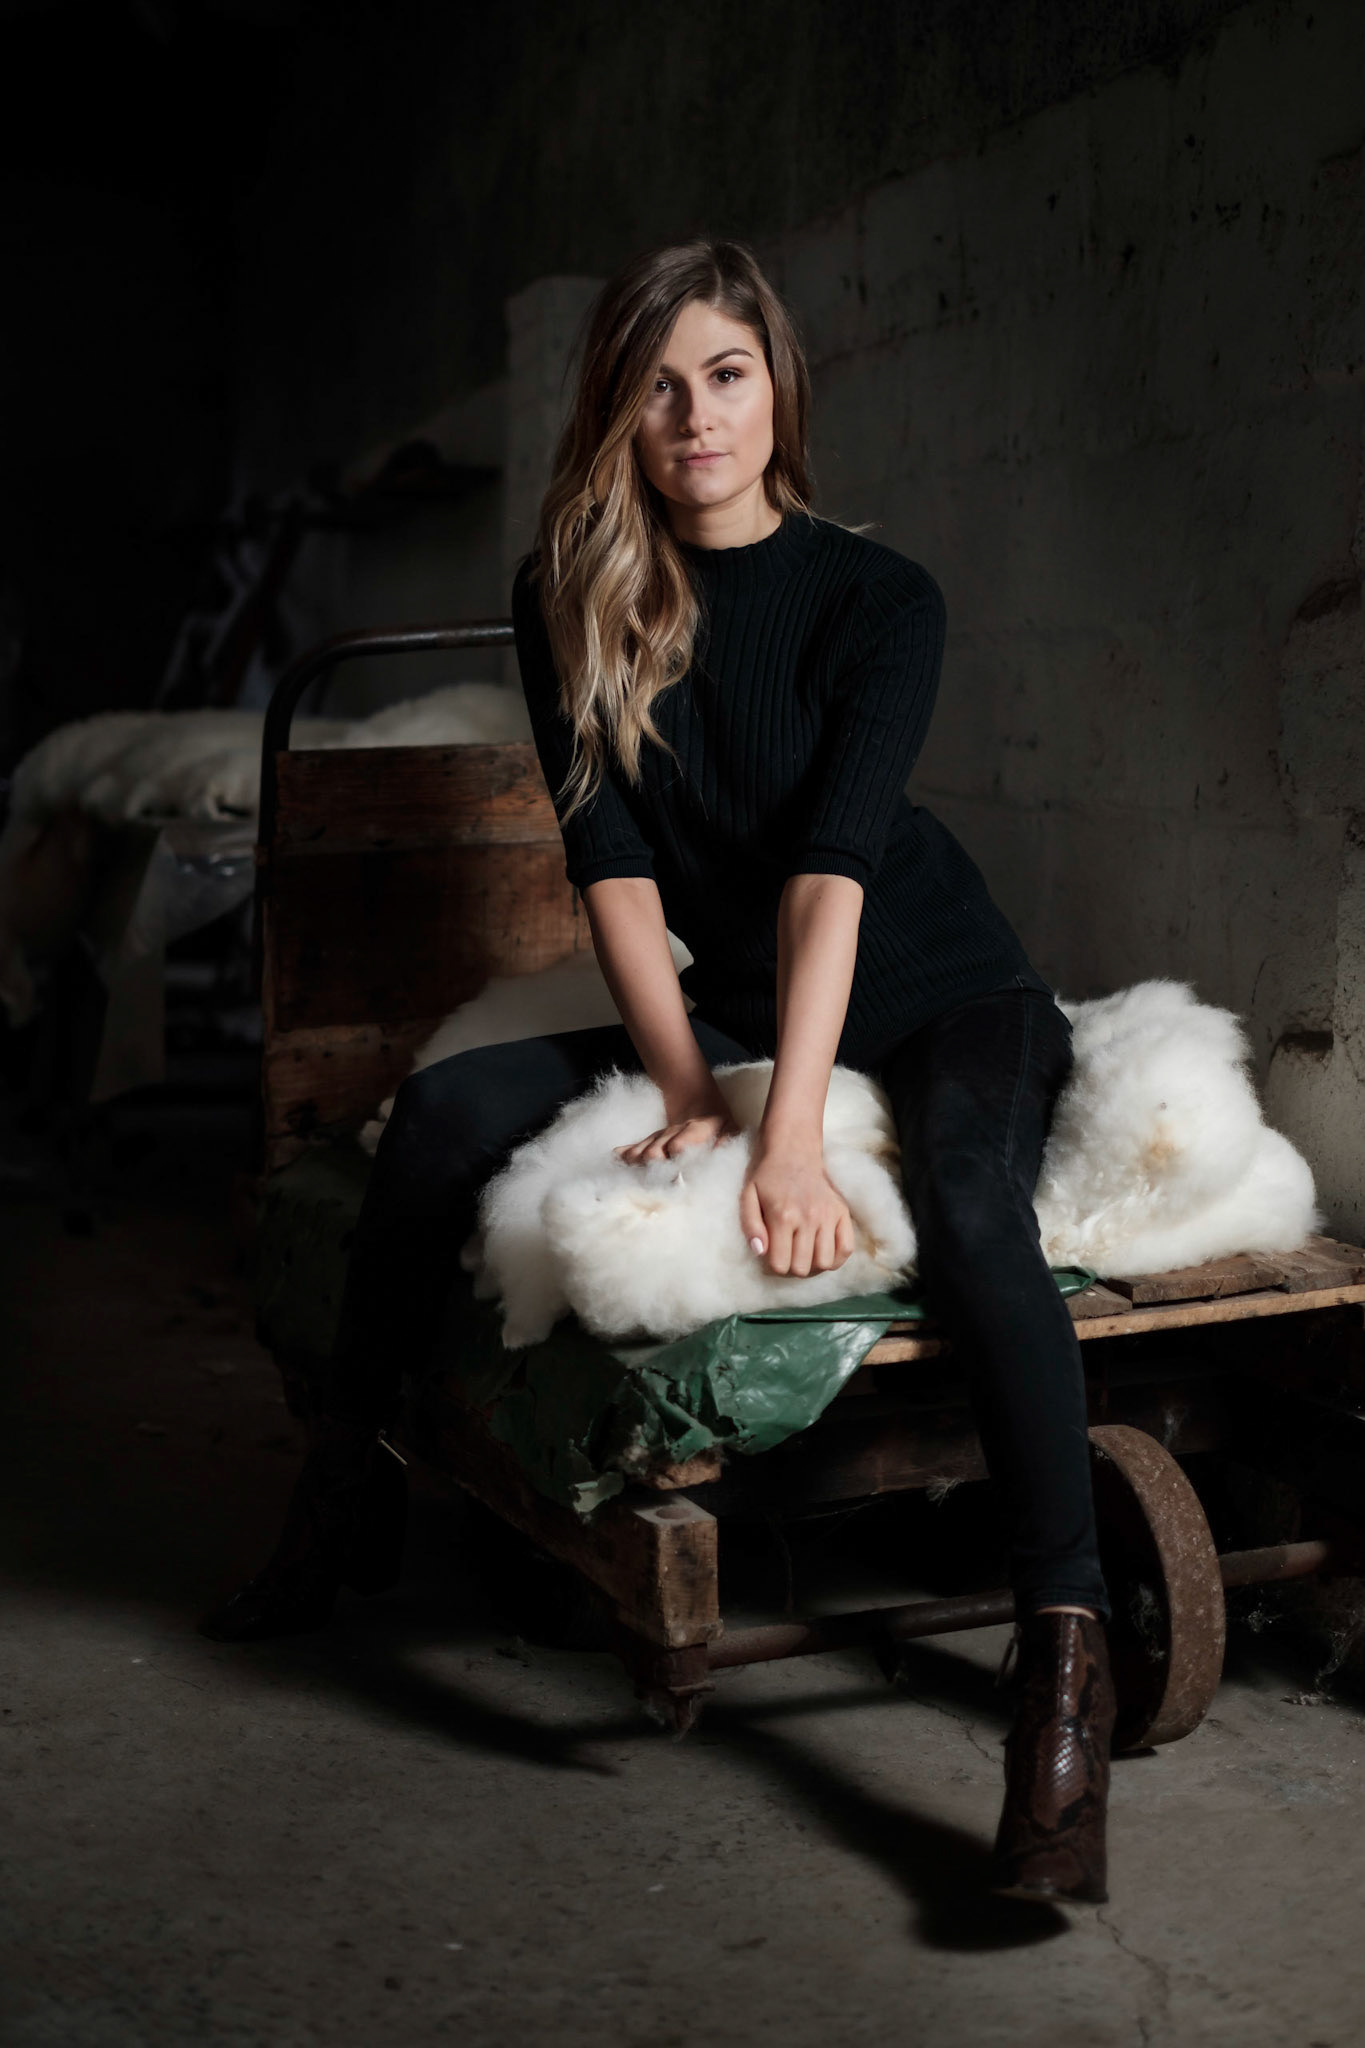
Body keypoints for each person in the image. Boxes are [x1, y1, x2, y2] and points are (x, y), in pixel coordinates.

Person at [202, 239, 1115, 1905]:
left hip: (939, 986)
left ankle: (1061, 1678)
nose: (696, 415)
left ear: (779, 390)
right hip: (740, 1000)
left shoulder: (878, 600)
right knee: (445, 1116)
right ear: (616, 411)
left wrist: (786, 1142)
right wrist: (690, 1086)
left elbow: (831, 876)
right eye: (657, 384)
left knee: (975, 1208)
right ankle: (343, 1492)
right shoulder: (573, 597)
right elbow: (611, 873)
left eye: (728, 374)